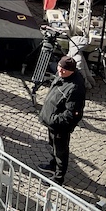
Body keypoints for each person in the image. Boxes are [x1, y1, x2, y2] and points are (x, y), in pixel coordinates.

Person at [37, 56, 86, 184]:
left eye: (64, 70)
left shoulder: (75, 88)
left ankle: (58, 178)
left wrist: (54, 120)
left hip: (59, 127)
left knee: (61, 152)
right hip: (51, 122)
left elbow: (72, 114)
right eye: (60, 68)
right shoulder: (61, 75)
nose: (60, 71)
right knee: (53, 146)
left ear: (72, 71)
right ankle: (53, 165)